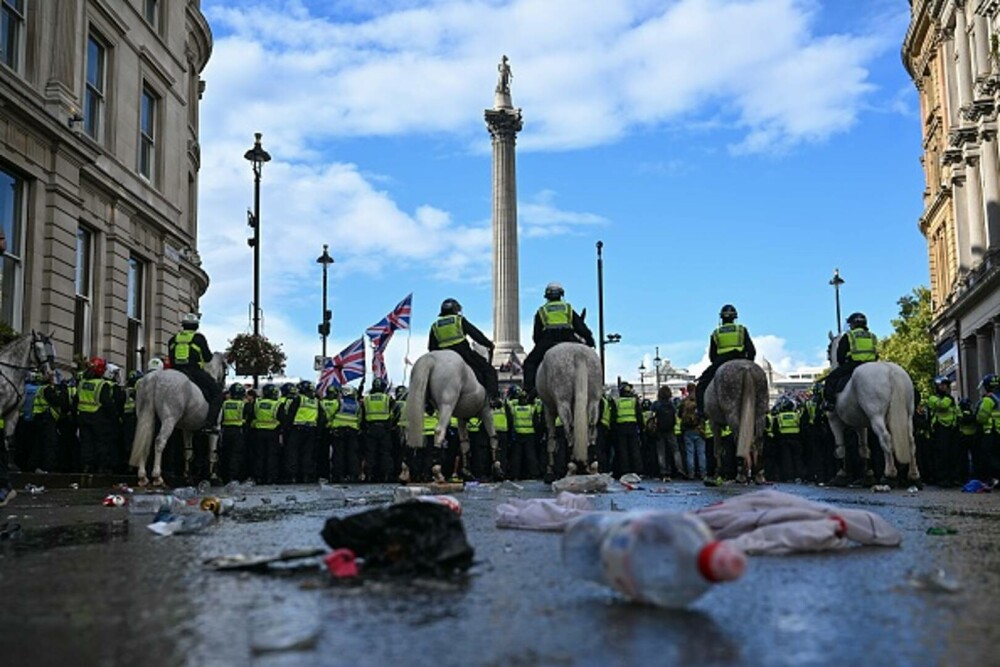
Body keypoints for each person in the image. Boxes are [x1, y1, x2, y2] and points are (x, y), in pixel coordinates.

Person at [522, 282, 595, 399]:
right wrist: (590, 341)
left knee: (529, 363)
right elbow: (581, 328)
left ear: (547, 296)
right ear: (561, 295)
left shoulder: (542, 311)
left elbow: (536, 335)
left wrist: (539, 345)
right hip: (569, 338)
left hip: (548, 340)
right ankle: (596, 388)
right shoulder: (568, 308)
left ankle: (529, 390)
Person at [428, 298, 499, 399]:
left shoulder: (435, 326)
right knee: (489, 371)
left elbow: (431, 347)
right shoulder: (459, 320)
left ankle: (428, 402)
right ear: (455, 309)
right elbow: (475, 334)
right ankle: (491, 398)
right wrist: (488, 344)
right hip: (463, 354)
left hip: (442, 356)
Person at [695, 304, 756, 417]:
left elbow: (712, 356)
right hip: (741, 358)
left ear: (721, 318)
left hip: (721, 360)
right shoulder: (741, 330)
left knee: (701, 385)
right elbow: (751, 350)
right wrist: (749, 363)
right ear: (735, 318)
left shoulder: (716, 333)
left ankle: (701, 412)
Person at [168, 313, 222, 432]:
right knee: (217, 393)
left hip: (175, 370)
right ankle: (210, 424)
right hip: (194, 371)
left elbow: (170, 357)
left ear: (183, 326)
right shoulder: (199, 338)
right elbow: (208, 358)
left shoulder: (173, 339)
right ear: (196, 326)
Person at [823, 312, 878, 405]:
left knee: (831, 378)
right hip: (872, 364)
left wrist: (843, 362)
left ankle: (830, 403)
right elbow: (876, 352)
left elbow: (840, 355)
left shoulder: (849, 335)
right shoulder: (872, 336)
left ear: (853, 324)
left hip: (854, 364)